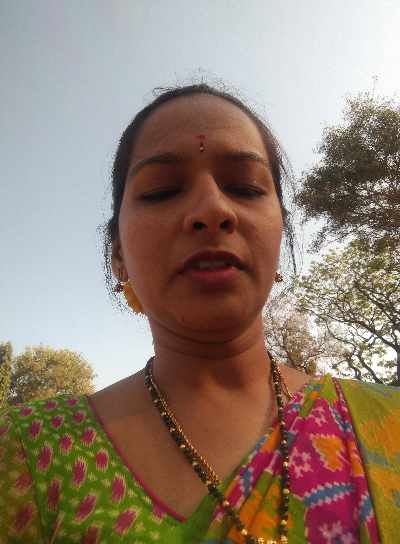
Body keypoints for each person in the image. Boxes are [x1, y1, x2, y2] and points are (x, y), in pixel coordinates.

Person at [1, 83, 399, 544]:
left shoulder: (387, 427)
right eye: (162, 191)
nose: (212, 209)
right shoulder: (28, 450)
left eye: (245, 187)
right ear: (118, 256)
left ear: (281, 237)